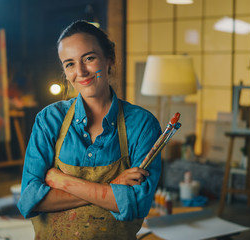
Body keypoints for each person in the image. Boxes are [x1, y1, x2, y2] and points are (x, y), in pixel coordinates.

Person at [17, 20, 162, 239]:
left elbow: (135, 205)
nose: (81, 71)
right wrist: (112, 187)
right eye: (70, 64)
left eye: (89, 58)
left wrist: (64, 181)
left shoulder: (142, 125)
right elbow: (29, 201)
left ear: (109, 58)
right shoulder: (49, 120)